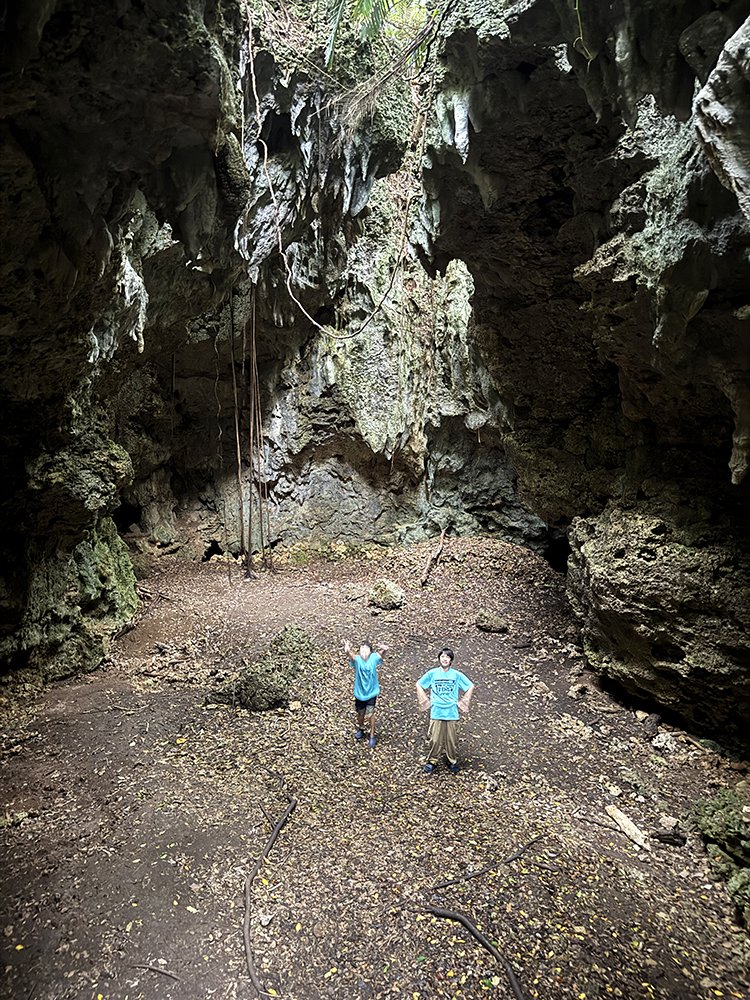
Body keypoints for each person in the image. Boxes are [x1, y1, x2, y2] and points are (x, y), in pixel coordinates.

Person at [416, 647, 474, 773]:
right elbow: (419, 684)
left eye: (447, 657)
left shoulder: (457, 675)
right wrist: (425, 700)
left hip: (451, 712)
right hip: (436, 711)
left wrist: (463, 702)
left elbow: (470, 686)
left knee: (451, 739)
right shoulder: (432, 673)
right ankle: (432, 761)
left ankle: (451, 760)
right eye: (442, 656)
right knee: (435, 738)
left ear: (451, 660)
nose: (444, 659)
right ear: (439, 659)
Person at [344, 640, 387, 748]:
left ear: (370, 651)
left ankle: (372, 735)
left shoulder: (373, 658)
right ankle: (361, 728)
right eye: (361, 649)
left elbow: (382, 653)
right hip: (359, 693)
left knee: (370, 714)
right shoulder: (358, 660)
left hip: (372, 692)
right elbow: (350, 655)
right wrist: (347, 649)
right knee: (360, 714)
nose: (363, 651)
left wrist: (384, 648)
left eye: (366, 649)